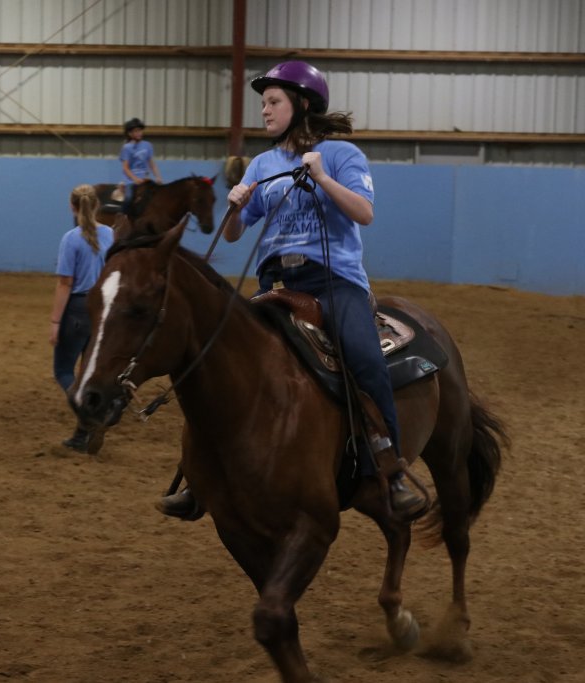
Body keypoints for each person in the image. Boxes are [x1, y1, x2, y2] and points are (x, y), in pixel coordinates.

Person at [158, 60, 427, 521]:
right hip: (276, 283)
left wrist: (322, 177)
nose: (264, 111)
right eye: (263, 103)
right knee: (222, 356)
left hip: (334, 282)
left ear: (301, 104)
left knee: (363, 357)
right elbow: (234, 236)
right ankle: (197, 472)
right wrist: (238, 207)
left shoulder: (341, 155)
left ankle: (390, 467)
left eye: (273, 101)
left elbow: (364, 213)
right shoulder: (263, 163)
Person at [50, 184, 115, 452]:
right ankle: (81, 436)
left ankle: (89, 418)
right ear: (97, 206)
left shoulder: (71, 239)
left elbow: (65, 283)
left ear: (72, 207)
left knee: (64, 370)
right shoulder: (110, 233)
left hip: (78, 309)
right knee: (89, 373)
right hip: (104, 309)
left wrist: (55, 321)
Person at [113, 118, 162, 201]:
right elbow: (125, 168)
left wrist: (158, 177)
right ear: (130, 133)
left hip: (145, 179)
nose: (138, 133)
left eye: (139, 130)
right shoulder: (126, 148)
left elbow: (152, 165)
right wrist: (135, 179)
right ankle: (123, 213)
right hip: (130, 180)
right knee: (128, 198)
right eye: (135, 131)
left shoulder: (148, 145)